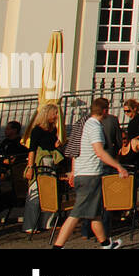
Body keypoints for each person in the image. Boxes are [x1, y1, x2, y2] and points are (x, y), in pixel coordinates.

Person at [51, 97, 125, 250]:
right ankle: (57, 247)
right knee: (76, 213)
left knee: (94, 214)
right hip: (90, 175)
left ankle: (106, 244)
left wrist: (73, 172)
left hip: (82, 173)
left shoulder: (83, 124)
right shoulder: (95, 126)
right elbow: (99, 152)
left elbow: (75, 150)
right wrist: (119, 166)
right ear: (105, 111)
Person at [22, 103, 63, 236]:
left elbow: (53, 145)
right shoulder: (37, 130)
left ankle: (48, 222)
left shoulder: (53, 129)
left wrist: (57, 145)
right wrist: (30, 167)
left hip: (51, 160)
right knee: (35, 192)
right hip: (40, 161)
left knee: (50, 191)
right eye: (54, 113)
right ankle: (30, 225)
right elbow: (32, 149)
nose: (56, 116)